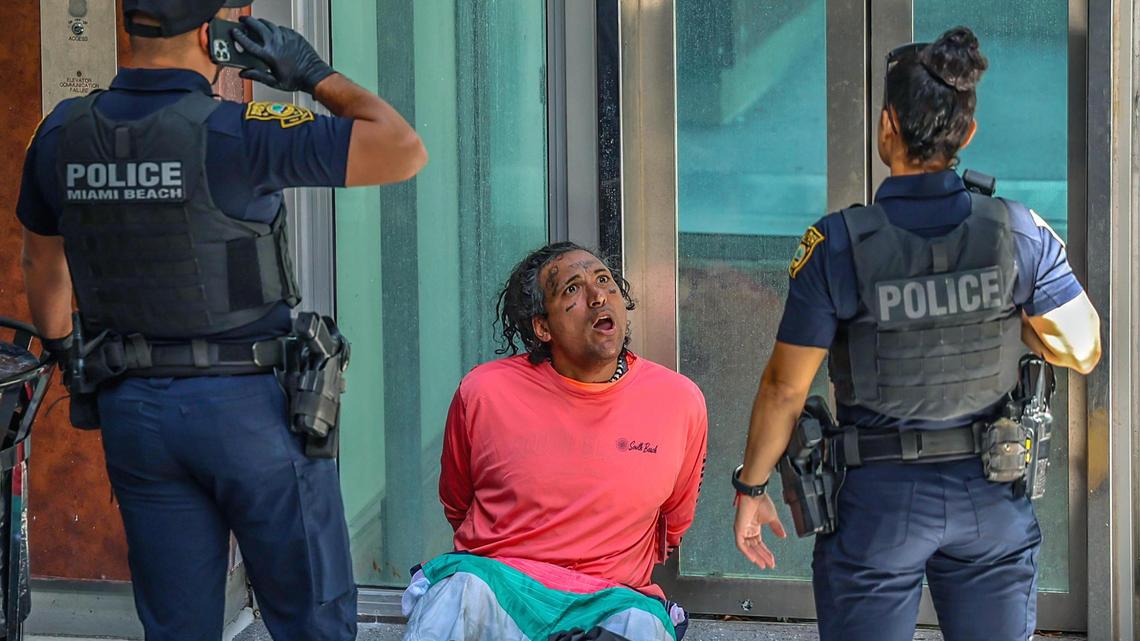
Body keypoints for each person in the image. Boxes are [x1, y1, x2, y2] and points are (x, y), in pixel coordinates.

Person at [17, 1, 426, 639]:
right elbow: (402, 149)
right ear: (214, 35)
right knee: (311, 618)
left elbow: (41, 264)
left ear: (128, 25)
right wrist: (311, 71)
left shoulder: (61, 132)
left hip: (135, 416)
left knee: (177, 626)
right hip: (249, 412)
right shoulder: (241, 132)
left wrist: (71, 355)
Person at [730, 26, 1100, 641]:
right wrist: (1011, 333)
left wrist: (752, 486)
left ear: (886, 128)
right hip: (992, 488)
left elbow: (783, 390)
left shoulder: (837, 244)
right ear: (968, 134)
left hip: (879, 503)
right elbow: (1082, 348)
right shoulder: (1018, 230)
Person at [401, 242, 708, 641]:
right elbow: (458, 503)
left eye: (604, 281)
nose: (598, 295)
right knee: (456, 593)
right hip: (500, 587)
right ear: (542, 327)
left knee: (642, 626)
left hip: (611, 600)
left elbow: (671, 525)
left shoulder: (679, 401)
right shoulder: (483, 391)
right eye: (571, 289)